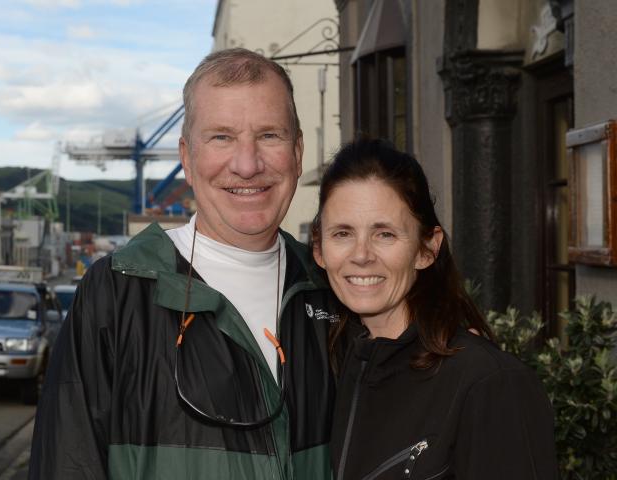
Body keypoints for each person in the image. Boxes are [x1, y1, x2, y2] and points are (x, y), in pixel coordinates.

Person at [30, 48, 341, 479]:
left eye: (269, 135)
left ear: (298, 150)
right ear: (186, 157)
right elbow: (67, 462)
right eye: (221, 137)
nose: (247, 164)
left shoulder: (332, 291)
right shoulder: (118, 293)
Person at [311, 138, 558, 480]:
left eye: (384, 234)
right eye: (342, 233)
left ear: (427, 248)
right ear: (319, 250)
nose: (362, 254)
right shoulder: (345, 365)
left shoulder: (488, 382)